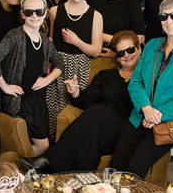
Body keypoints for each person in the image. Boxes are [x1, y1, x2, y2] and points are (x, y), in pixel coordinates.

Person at [112, 0, 173, 178]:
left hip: (168, 122)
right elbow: (136, 82)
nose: (168, 21)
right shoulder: (152, 45)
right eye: (164, 16)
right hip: (140, 116)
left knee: (134, 169)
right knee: (117, 164)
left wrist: (157, 114)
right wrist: (146, 108)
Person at [21, 30, 140, 173]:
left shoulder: (146, 77)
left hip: (125, 133)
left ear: (139, 49)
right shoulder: (106, 75)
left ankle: (49, 161)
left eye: (130, 50)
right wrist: (75, 91)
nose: (126, 55)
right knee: (88, 151)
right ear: (117, 57)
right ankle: (76, 189)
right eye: (121, 53)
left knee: (97, 112)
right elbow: (86, 101)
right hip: (98, 133)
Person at [0, 0, 64, 155]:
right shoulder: (15, 36)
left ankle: (17, 170)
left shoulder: (44, 39)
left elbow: (60, 64)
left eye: (39, 12)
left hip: (37, 100)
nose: (34, 16)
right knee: (42, 145)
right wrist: (5, 87)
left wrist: (46, 80)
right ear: (22, 14)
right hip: (18, 99)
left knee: (45, 144)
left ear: (45, 13)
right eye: (29, 12)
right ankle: (12, 170)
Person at [45, 0, 105, 137]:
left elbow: (95, 50)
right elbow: (51, 40)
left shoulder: (95, 16)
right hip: (57, 66)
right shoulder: (55, 11)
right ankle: (52, 149)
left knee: (74, 110)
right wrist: (49, 60)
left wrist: (76, 41)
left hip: (80, 68)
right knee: (52, 112)